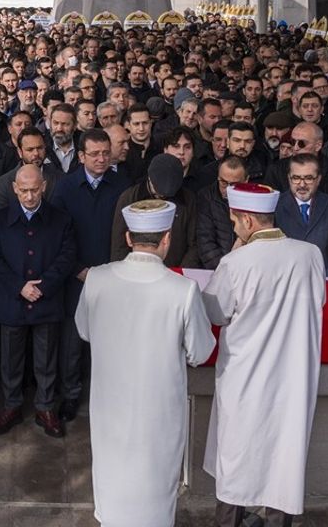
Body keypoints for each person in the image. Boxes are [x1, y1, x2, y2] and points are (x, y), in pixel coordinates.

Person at [77, 199, 215, 527]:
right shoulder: (183, 290)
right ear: (167, 238)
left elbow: (84, 330)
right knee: (155, 495)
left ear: (128, 238)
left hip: (110, 409)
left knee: (113, 486)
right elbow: (201, 351)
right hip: (159, 415)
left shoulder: (97, 278)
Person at [202, 183, 325, 527]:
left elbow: (215, 312)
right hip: (293, 375)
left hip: (247, 376)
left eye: (236, 221)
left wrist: (235, 253)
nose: (234, 227)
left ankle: (230, 522)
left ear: (247, 221)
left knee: (237, 454)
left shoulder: (235, 262)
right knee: (283, 457)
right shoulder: (310, 254)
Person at [0, 165, 76, 438]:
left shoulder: (61, 219)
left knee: (46, 359)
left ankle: (45, 407)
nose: (29, 196)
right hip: (13, 301)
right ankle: (11, 406)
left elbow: (66, 256)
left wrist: (43, 286)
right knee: (10, 359)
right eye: (23, 190)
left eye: (34, 189)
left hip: (47, 301)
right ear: (14, 188)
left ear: (44, 186)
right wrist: (19, 287)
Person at [48, 128, 129, 422]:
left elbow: (127, 233)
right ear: (81, 156)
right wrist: (78, 269)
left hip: (113, 275)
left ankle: (108, 396)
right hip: (76, 276)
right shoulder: (66, 188)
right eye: (94, 154)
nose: (101, 159)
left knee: (110, 341)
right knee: (73, 341)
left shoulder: (122, 185)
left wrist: (114, 269)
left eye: (106, 153)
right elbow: (57, 235)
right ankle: (70, 395)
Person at [274, 154, 328, 275]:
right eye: (296, 178)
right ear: (289, 178)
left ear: (319, 179)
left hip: (325, 279)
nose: (302, 184)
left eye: (308, 178)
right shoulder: (274, 206)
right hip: (285, 280)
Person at [195, 157, 246, 266]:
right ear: (218, 177)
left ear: (246, 180)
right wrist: (223, 269)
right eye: (223, 182)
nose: (228, 189)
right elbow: (205, 242)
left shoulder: (255, 199)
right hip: (216, 269)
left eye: (234, 185)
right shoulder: (206, 197)